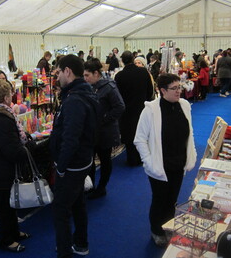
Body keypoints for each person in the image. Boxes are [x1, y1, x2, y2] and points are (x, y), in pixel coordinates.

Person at [134, 73, 196, 246]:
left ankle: (168, 227)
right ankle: (156, 230)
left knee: (172, 199)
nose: (179, 91)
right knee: (160, 199)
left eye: (179, 87)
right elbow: (139, 139)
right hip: (159, 165)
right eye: (174, 88)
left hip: (179, 162)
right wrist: (149, 162)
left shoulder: (184, 105)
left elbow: (189, 133)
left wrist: (192, 154)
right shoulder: (151, 110)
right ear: (162, 90)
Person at [50, 54, 98, 258]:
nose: (57, 76)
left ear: (67, 71)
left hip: (72, 166)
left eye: (59, 72)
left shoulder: (75, 100)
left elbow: (71, 138)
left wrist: (60, 167)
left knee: (60, 211)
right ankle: (80, 243)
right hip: (81, 161)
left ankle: (65, 252)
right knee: (77, 204)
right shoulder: (84, 94)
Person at [0, 79, 31, 253]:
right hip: (0, 169)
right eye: (10, 93)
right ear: (5, 97)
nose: (12, 96)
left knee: (10, 205)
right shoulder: (2, 118)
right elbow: (11, 149)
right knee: (5, 207)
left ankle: (14, 233)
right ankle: (6, 240)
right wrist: (28, 150)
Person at [83, 58, 125, 199]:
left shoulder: (109, 86)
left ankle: (101, 187)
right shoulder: (88, 87)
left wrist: (104, 119)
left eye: (87, 75)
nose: (85, 78)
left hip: (105, 132)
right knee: (89, 162)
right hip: (91, 131)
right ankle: (90, 185)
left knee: (105, 160)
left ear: (96, 73)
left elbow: (120, 106)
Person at [115, 51, 154, 166]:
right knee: (142, 134)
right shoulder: (143, 72)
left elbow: (118, 96)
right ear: (133, 59)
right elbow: (150, 91)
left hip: (126, 111)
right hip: (141, 108)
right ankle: (142, 157)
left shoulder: (119, 76)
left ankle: (132, 159)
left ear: (122, 61)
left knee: (129, 137)